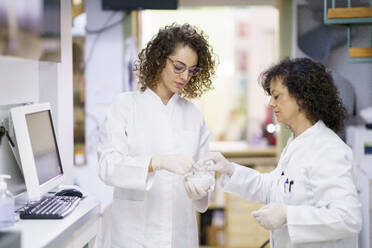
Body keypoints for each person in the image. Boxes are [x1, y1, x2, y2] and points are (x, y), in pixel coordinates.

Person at [200, 58, 362, 247]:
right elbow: (273, 187)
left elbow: (347, 218)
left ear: (301, 97)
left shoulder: (328, 150)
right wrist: (230, 170)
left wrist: (288, 215)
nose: (270, 103)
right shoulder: (296, 143)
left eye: (277, 96)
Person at [97, 23, 216, 248]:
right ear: (160, 58)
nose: (185, 76)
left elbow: (204, 168)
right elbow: (107, 166)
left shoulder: (193, 114)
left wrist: (202, 186)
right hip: (133, 235)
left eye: (192, 70)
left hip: (179, 235)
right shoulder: (125, 106)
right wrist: (155, 162)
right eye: (179, 66)